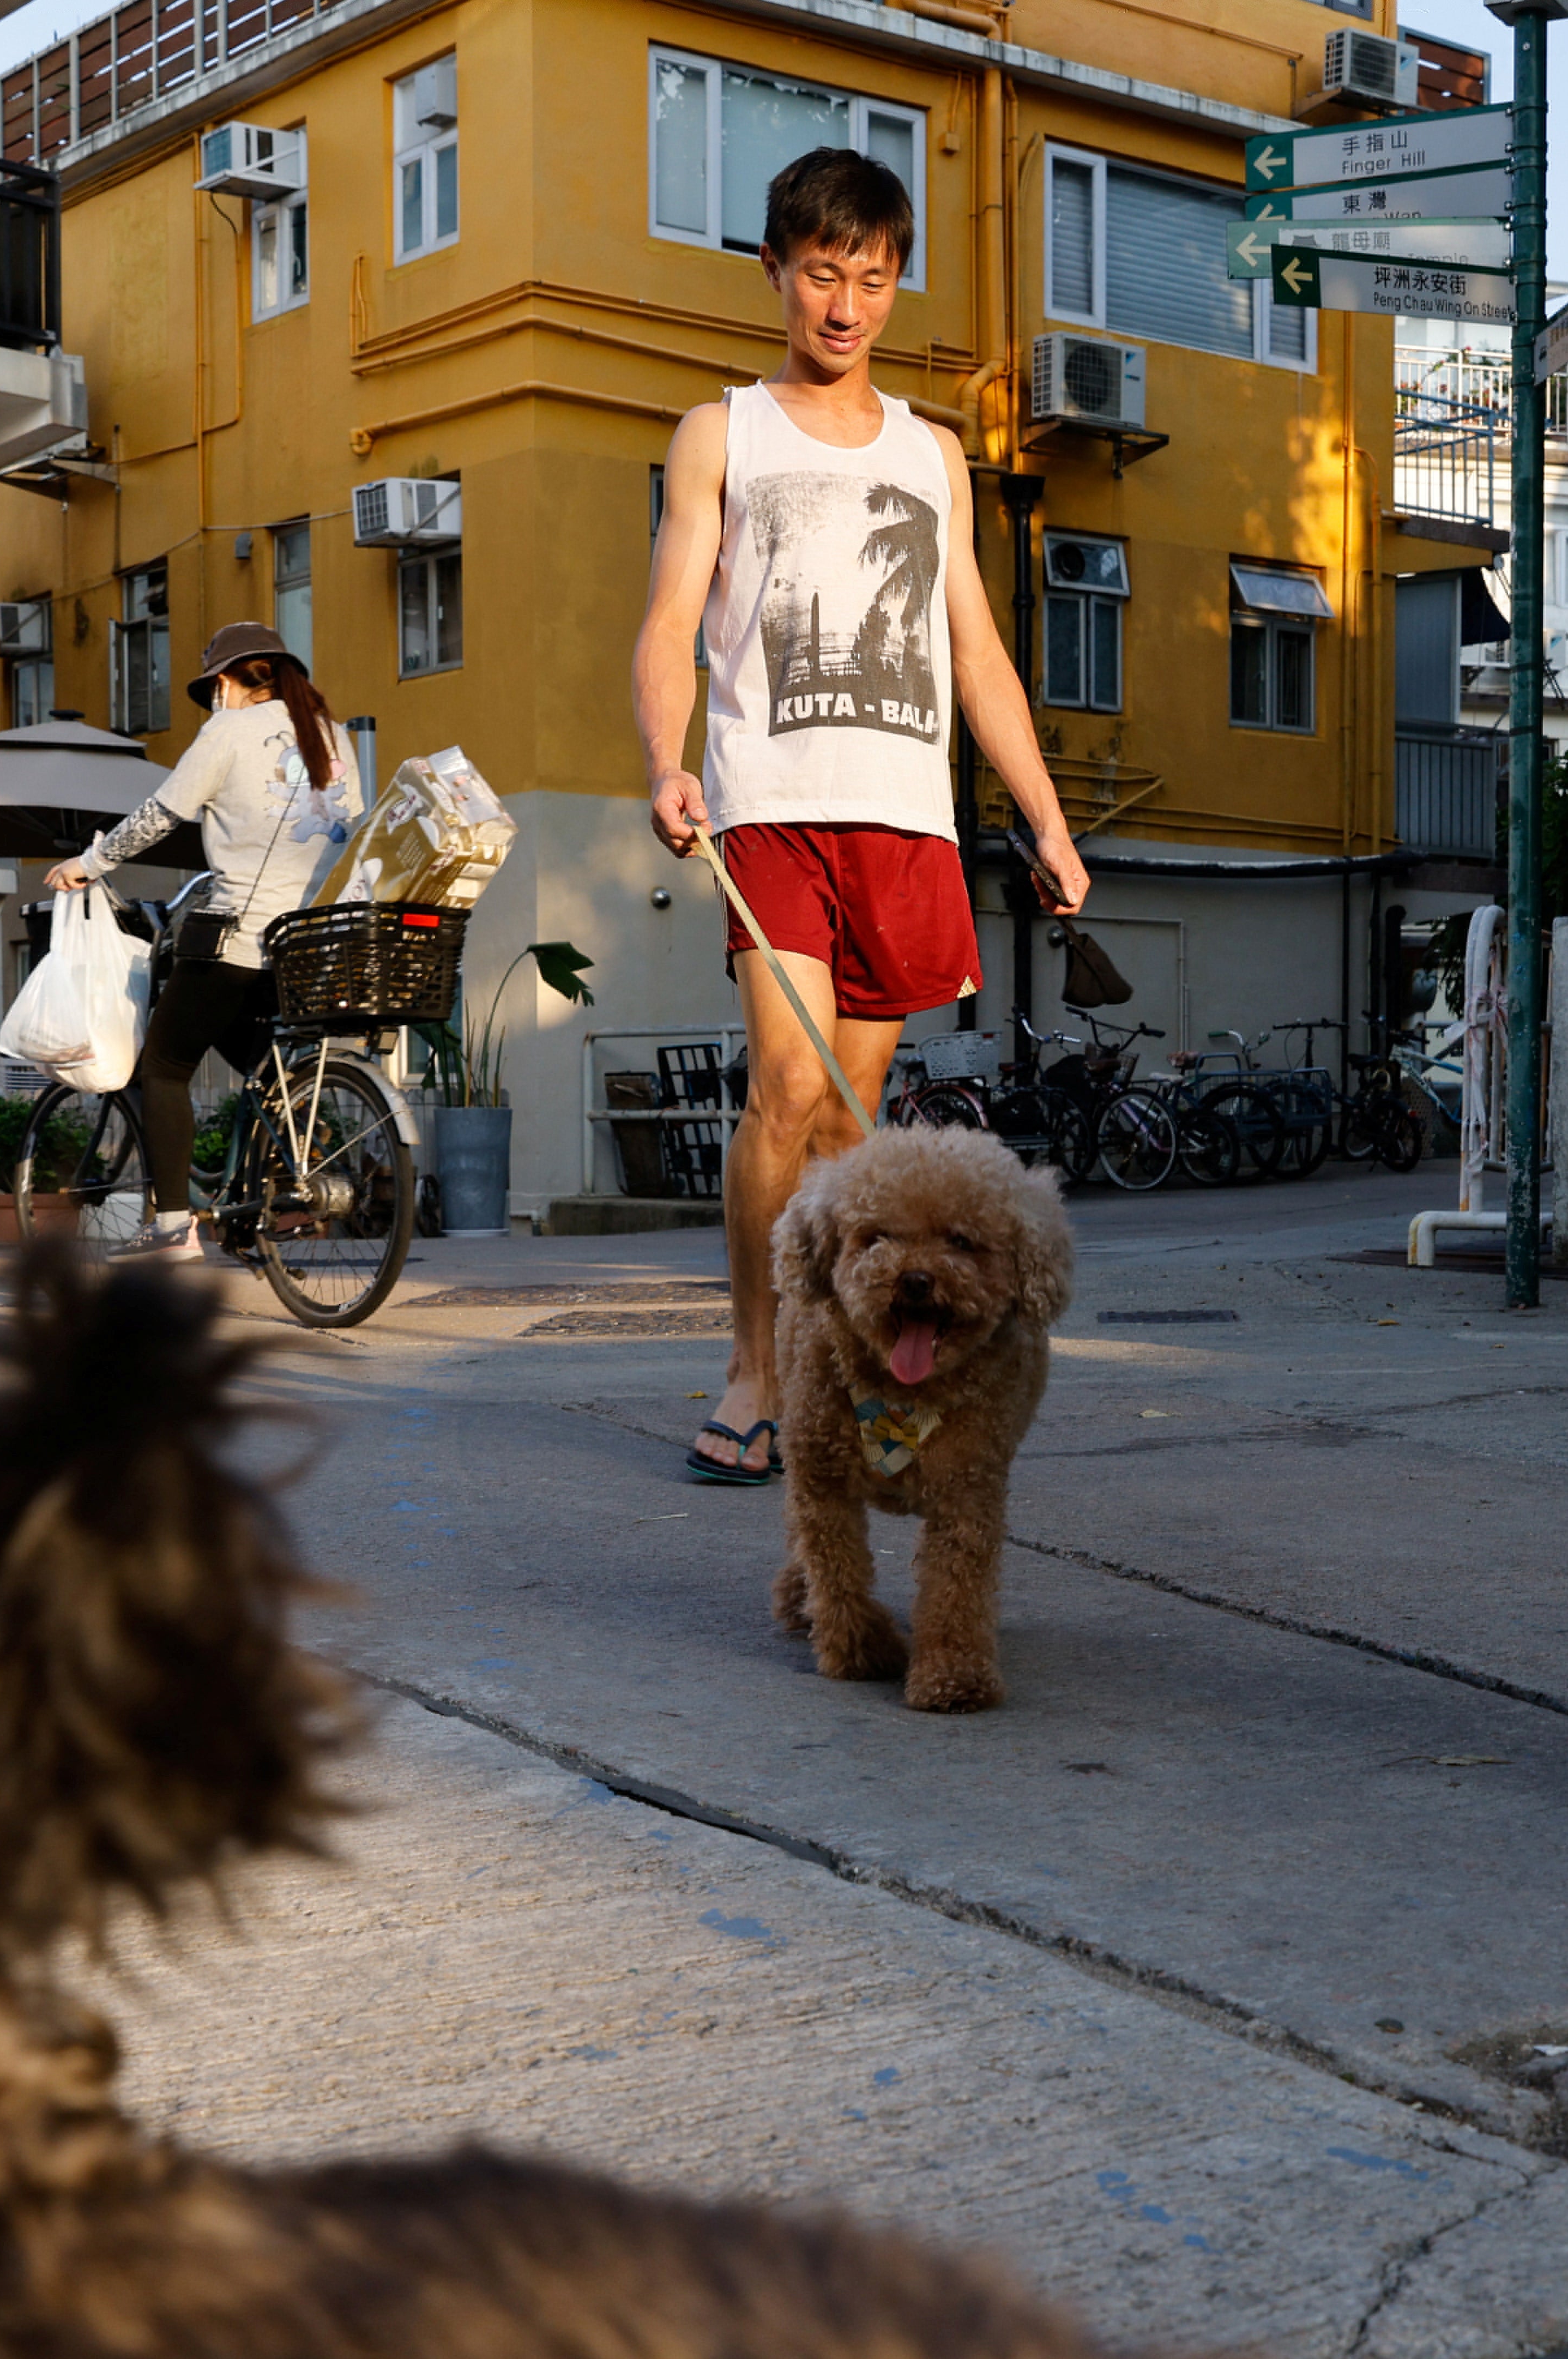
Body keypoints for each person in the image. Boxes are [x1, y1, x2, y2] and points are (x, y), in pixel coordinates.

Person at [631, 146, 1090, 1488]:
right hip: (767, 806)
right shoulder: (722, 431)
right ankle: (755, 1367)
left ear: (896, 285)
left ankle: (850, 1381)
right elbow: (668, 620)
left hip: (905, 819)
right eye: (821, 274)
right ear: (775, 268)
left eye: (872, 280)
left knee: (850, 1127)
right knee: (784, 1088)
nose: (843, 306)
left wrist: (1046, 821)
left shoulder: (932, 454)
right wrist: (667, 757)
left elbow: (978, 653)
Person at [46, 623, 361, 1265]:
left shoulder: (226, 732)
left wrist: (90, 863)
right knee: (252, 1057)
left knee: (163, 1067)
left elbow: (163, 814)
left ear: (225, 680)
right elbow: (344, 833)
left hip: (236, 933)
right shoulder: (334, 738)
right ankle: (292, 1154)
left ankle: (171, 1228)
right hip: (304, 939)